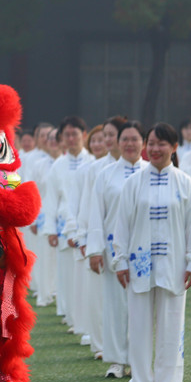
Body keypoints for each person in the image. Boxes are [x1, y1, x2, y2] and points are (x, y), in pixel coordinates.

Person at [112, 123, 191, 382]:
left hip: (173, 263)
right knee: (139, 323)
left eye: (161, 144)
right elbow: (122, 224)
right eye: (150, 143)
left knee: (171, 322)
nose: (154, 149)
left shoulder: (185, 182)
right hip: (139, 263)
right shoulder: (134, 183)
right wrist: (120, 260)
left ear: (174, 148)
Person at [87, 121, 148, 379]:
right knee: (115, 306)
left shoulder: (151, 172)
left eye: (136, 139)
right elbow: (96, 214)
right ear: (118, 143)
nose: (131, 144)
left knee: (142, 308)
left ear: (143, 143)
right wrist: (94, 250)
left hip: (145, 251)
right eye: (126, 139)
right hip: (115, 250)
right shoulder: (106, 175)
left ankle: (139, 360)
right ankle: (116, 361)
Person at [75, 116, 126, 355]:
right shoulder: (94, 168)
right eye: (104, 135)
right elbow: (86, 206)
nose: (106, 140)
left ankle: (124, 347)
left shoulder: (136, 168)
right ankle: (100, 345)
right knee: (99, 295)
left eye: (111, 135)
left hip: (128, 243)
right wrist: (84, 237)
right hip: (101, 239)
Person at [41, 116, 92, 336]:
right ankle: (74, 319)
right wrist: (51, 229)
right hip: (64, 226)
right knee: (68, 276)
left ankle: (89, 321)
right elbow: (51, 199)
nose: (71, 139)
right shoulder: (58, 166)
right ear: (61, 139)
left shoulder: (93, 162)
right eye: (67, 135)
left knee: (88, 277)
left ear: (84, 135)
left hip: (88, 225)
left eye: (75, 134)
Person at [30, 127, 59, 307]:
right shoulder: (39, 165)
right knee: (44, 257)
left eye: (57, 139)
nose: (53, 142)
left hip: (63, 218)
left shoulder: (65, 164)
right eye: (50, 139)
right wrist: (34, 218)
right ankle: (44, 293)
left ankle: (58, 293)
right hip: (44, 216)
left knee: (60, 260)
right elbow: (33, 192)